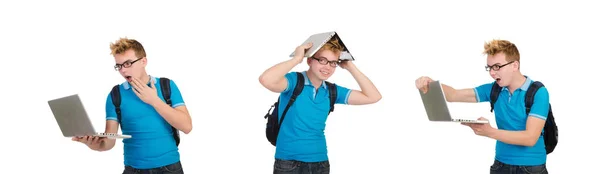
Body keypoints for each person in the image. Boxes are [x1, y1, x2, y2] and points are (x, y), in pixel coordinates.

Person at [415, 39, 550, 174]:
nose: (492, 72)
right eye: (489, 67)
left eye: (497, 66)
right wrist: (431, 84)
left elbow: (530, 138)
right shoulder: (493, 90)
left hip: (532, 168)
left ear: (515, 65)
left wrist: (489, 132)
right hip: (500, 165)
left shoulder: (538, 93)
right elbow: (454, 95)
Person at [259, 37, 382, 174]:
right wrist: (296, 59)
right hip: (289, 163)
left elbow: (373, 96)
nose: (327, 67)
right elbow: (266, 80)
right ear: (310, 60)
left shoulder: (332, 91)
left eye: (333, 63)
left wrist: (350, 67)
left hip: (320, 162)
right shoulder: (294, 82)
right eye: (323, 60)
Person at [71, 38, 193, 174]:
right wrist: (94, 144)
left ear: (143, 61)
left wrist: (154, 100)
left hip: (170, 168)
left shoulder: (167, 86)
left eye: (128, 63)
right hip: (134, 170)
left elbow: (187, 127)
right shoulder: (115, 95)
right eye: (119, 66)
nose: (123, 70)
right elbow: (108, 142)